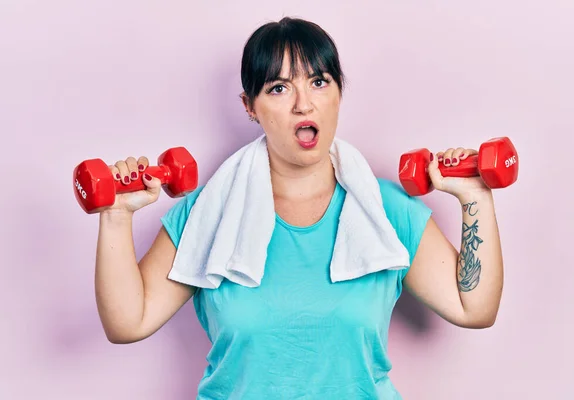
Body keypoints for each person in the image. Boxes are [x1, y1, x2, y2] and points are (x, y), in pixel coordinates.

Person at [94, 17, 504, 399]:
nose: (303, 104)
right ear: (249, 106)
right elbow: (128, 322)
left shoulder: (385, 210)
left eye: (319, 82)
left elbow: (474, 308)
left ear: (339, 93)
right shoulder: (209, 213)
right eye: (278, 88)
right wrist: (116, 215)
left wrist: (475, 198)